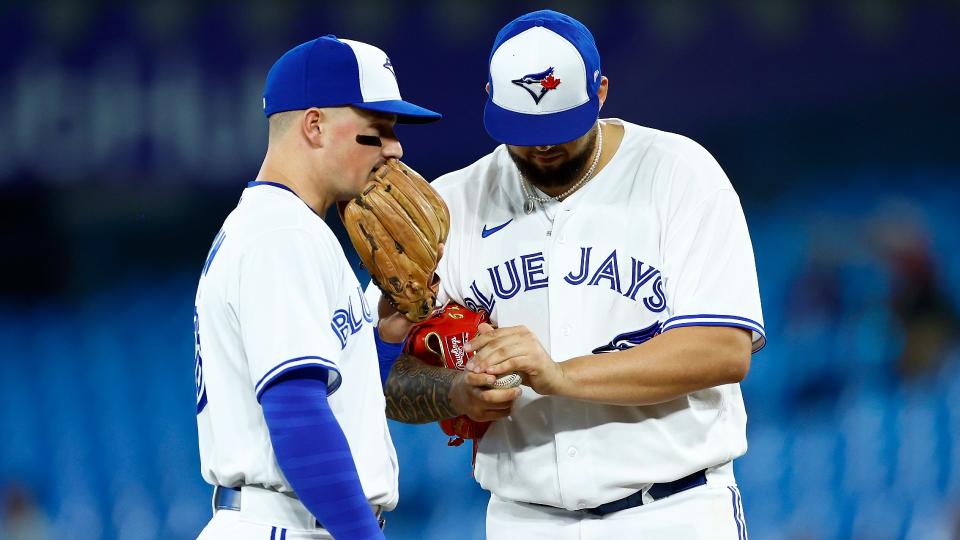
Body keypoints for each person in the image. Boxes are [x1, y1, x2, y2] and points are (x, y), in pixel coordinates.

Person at [381, 10, 765, 539]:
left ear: (600, 93)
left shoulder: (680, 173)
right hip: (524, 518)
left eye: (559, 129)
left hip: (672, 511)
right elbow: (386, 378)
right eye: (524, 131)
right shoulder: (452, 203)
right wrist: (456, 392)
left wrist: (559, 374)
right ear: (490, 102)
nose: (542, 147)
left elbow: (723, 349)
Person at [193, 34, 438, 539]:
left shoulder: (285, 226)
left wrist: (386, 340)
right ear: (314, 125)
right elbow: (295, 411)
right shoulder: (282, 233)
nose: (395, 148)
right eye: (377, 130)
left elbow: (338, 397)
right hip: (286, 524)